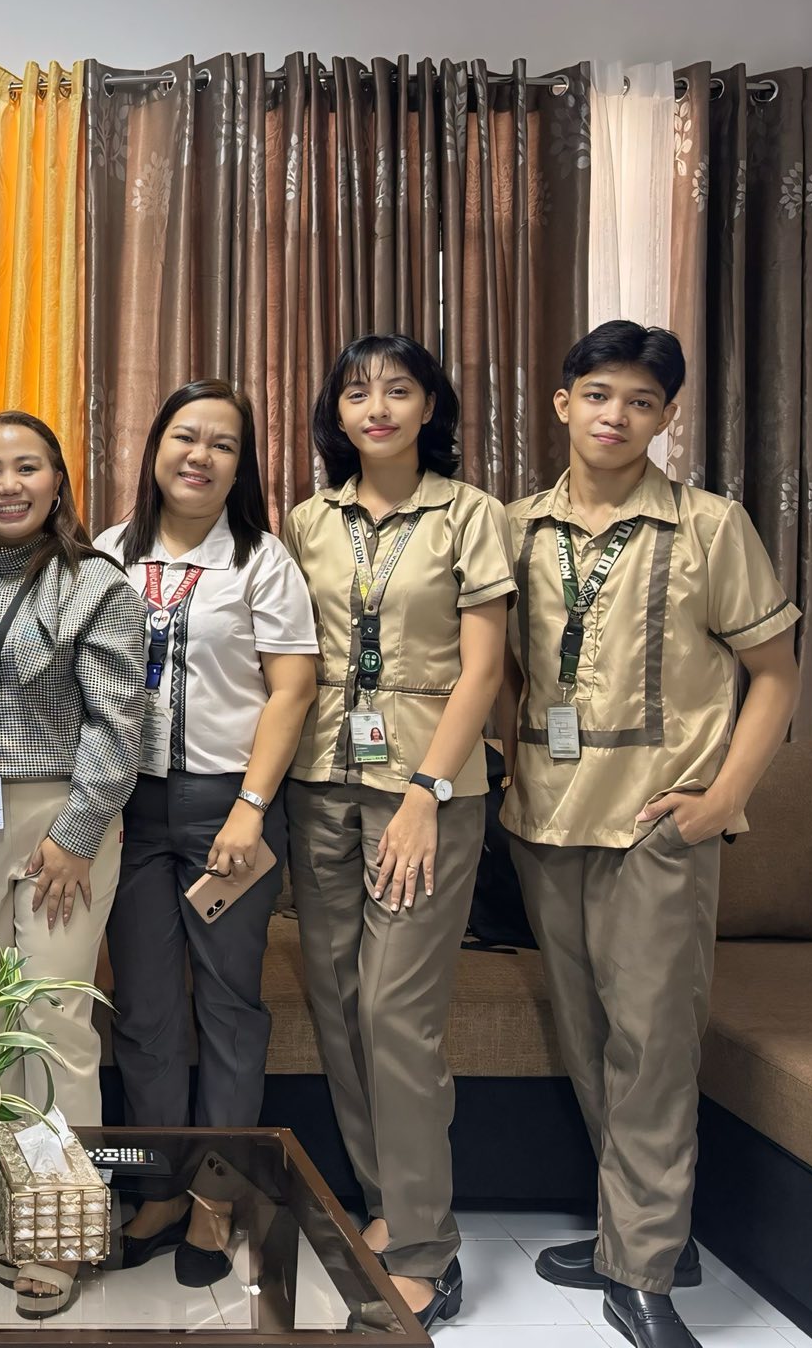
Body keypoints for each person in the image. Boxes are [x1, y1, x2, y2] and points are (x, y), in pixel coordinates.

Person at [500, 321, 801, 1348]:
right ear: (562, 404)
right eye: (597, 395)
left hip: (658, 827)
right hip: (544, 822)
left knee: (654, 1045)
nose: (614, 416)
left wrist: (721, 799)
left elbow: (775, 674)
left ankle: (642, 1275)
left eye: (639, 401)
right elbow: (499, 665)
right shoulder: (514, 528)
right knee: (590, 1039)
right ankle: (641, 1235)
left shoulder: (710, 527)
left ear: (667, 416)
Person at [281, 336, 515, 1331]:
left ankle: (426, 1248)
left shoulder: (470, 513)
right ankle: (386, 1203)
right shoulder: (307, 520)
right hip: (318, 779)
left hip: (425, 790)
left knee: (395, 1012)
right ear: (335, 412)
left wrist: (426, 788)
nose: (375, 406)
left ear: (430, 407)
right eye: (355, 391)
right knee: (339, 1005)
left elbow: (484, 669)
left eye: (398, 389)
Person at [0, 410, 143, 1313]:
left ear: (57, 482)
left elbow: (118, 722)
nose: (8, 485)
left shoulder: (96, 584)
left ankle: (57, 1227)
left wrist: (78, 832)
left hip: (62, 815)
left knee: (52, 1019)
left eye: (28, 468)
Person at [92, 380, 318, 1290]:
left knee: (228, 1009)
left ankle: (216, 1200)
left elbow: (292, 690)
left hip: (230, 806)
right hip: (128, 808)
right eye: (186, 437)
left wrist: (251, 808)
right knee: (145, 1012)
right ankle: (157, 1190)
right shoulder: (108, 552)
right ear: (155, 448)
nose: (201, 456)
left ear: (241, 465)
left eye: (223, 444)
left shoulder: (262, 560)